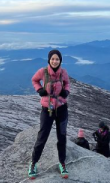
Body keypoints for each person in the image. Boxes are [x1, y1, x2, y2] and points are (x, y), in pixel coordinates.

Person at [28, 49, 70, 179]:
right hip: (47, 110)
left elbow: (67, 83)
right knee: (42, 137)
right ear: (49, 60)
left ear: (60, 61)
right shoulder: (43, 72)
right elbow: (34, 80)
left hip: (62, 109)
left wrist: (66, 92)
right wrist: (39, 89)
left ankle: (62, 163)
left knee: (61, 137)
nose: (55, 61)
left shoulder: (63, 73)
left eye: (57, 59)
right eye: (53, 59)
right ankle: (33, 163)